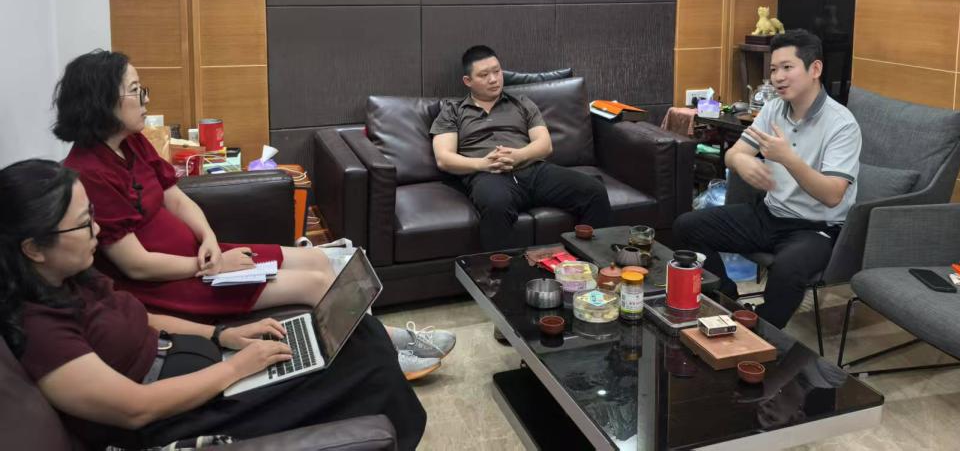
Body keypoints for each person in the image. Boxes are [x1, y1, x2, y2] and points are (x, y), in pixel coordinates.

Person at [54, 50, 452, 378]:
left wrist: (208, 238)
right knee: (315, 284)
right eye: (135, 91)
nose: (145, 101)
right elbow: (137, 266)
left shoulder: (132, 143)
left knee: (321, 259)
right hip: (169, 283)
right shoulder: (89, 173)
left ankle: (383, 338)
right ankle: (388, 353)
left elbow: (176, 199)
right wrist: (209, 264)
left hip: (202, 260)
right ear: (102, 101)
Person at [0, 159, 426, 450]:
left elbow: (143, 317)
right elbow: (135, 408)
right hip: (180, 414)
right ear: (34, 248)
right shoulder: (40, 331)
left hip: (203, 370)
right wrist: (236, 368)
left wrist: (222, 335)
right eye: (83, 224)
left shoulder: (74, 278)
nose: (97, 230)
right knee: (366, 365)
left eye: (93, 215)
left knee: (355, 336)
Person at [672, 30, 861, 329]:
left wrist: (788, 158)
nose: (778, 78)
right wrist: (742, 161)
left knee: (788, 270)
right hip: (769, 215)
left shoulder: (842, 124)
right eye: (774, 69)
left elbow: (832, 195)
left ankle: (762, 333)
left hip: (816, 228)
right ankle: (728, 302)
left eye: (787, 67)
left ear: (815, 69)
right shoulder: (773, 109)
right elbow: (733, 154)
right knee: (686, 227)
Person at [431, 45, 612, 251]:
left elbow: (544, 144)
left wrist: (519, 155)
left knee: (594, 191)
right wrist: (483, 164)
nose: (494, 79)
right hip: (488, 176)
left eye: (497, 71)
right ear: (468, 81)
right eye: (484, 75)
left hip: (533, 170)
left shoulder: (522, 103)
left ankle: (592, 261)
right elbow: (444, 158)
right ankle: (505, 271)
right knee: (495, 205)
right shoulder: (453, 110)